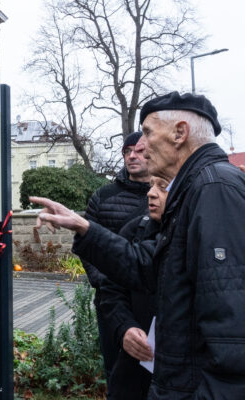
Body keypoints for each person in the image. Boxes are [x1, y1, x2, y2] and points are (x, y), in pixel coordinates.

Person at [31, 91, 245, 400]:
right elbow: (150, 268)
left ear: (179, 133)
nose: (139, 147)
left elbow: (231, 337)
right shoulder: (193, 190)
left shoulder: (213, 189)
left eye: (146, 132)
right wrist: (85, 228)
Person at [77, 131, 149, 397]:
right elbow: (86, 242)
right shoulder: (103, 197)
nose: (132, 156)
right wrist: (101, 280)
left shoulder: (166, 194)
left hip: (150, 301)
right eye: (127, 151)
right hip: (110, 301)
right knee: (116, 368)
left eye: (140, 151)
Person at [100, 175, 168, 400]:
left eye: (163, 186)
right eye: (151, 185)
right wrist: (125, 328)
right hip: (134, 371)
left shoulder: (199, 234)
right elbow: (111, 289)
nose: (151, 193)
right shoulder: (134, 230)